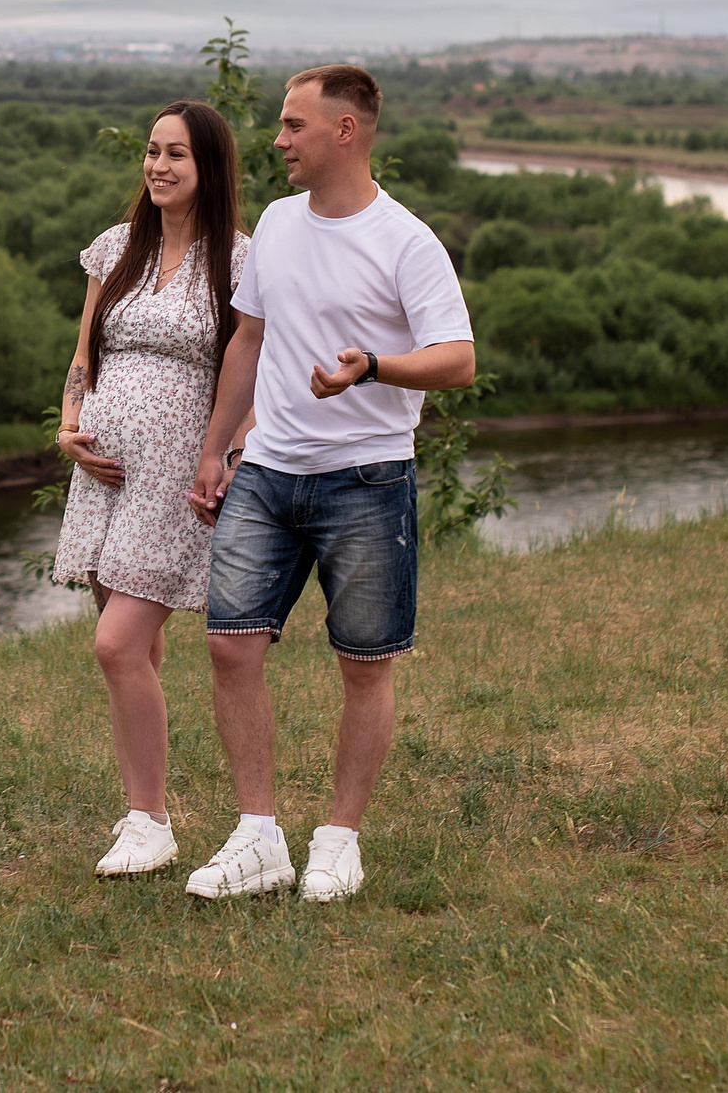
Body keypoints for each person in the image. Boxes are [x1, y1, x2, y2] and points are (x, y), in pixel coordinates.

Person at [181, 64, 475, 902]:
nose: (277, 140)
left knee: (364, 664)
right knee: (229, 642)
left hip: (368, 477)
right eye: (280, 125)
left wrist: (374, 367)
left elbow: (458, 357)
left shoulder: (406, 240)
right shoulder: (275, 223)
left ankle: (340, 838)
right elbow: (247, 341)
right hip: (269, 468)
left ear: (345, 130)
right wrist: (215, 450)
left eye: (293, 125)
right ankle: (258, 835)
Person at [52, 99, 252, 880]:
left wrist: (229, 453)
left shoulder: (236, 260)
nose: (159, 166)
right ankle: (145, 792)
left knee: (117, 645)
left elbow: (253, 366)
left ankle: (150, 822)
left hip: (175, 477)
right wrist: (69, 426)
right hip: (102, 472)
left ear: (209, 169)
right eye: (151, 150)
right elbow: (84, 352)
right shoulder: (118, 249)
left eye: (177, 154)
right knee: (138, 646)